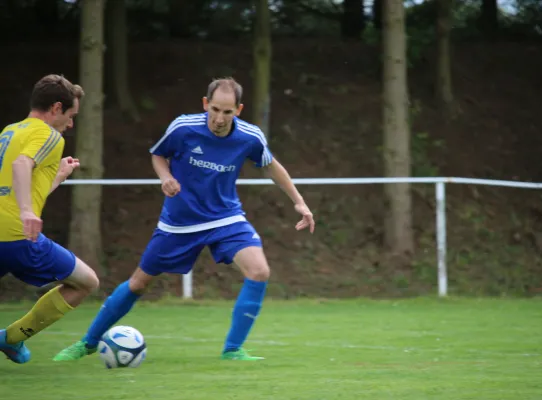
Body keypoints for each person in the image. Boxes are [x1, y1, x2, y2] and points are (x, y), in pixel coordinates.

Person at [54, 77, 315, 362]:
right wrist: (166, 178)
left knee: (259, 271)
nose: (219, 118)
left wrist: (300, 202)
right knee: (138, 283)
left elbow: (271, 166)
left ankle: (232, 350)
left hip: (225, 218)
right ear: (205, 104)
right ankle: (88, 342)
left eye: (227, 112)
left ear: (238, 110)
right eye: (215, 109)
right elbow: (158, 155)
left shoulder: (250, 137)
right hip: (178, 223)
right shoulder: (183, 128)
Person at [0, 74, 100, 364]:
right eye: (70, 116)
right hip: (18, 238)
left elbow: (18, 182)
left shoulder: (10, 131)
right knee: (86, 282)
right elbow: (22, 165)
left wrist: (56, 175)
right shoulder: (49, 135)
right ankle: (11, 338)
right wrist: (27, 212)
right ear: (56, 108)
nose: (70, 125)